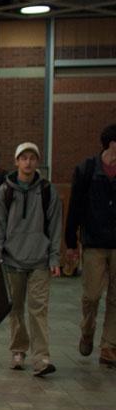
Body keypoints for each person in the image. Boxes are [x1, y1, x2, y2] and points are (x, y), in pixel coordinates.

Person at [0, 142, 63, 377]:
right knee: (16, 308)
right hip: (12, 260)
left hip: (40, 260)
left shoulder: (48, 191)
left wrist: (54, 258)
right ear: (17, 161)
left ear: (37, 162)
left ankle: (41, 357)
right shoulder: (5, 192)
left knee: (38, 310)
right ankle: (18, 350)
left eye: (32, 158)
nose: (28, 162)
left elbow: (55, 226)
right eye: (24, 158)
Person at [65, 124, 116, 368]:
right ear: (112, 144)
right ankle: (88, 330)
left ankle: (108, 346)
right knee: (92, 296)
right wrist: (70, 241)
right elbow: (75, 205)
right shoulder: (87, 169)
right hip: (94, 243)